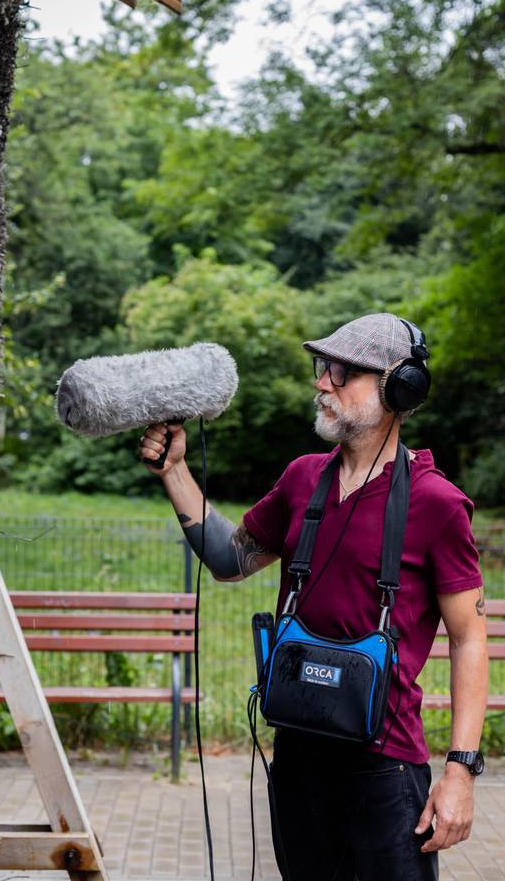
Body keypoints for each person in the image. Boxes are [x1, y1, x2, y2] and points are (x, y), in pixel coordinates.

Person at [139, 313, 489, 881]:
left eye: (342, 372)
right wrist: (174, 471)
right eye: (322, 367)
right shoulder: (301, 478)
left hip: (386, 769)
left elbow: (470, 639)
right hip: (297, 756)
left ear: (399, 388)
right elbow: (230, 559)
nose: (322, 382)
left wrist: (461, 771)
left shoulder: (437, 503)